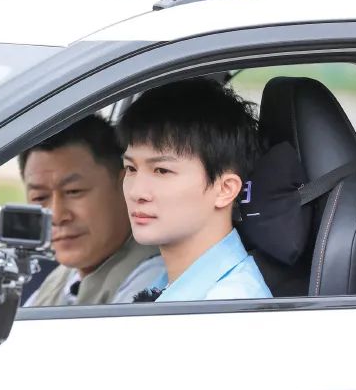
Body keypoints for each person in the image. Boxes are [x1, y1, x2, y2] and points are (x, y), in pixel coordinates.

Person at [116, 78, 273, 301]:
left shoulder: (227, 303)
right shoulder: (166, 284)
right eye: (131, 168)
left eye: (162, 171)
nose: (136, 192)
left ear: (225, 189)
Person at [20, 115, 163, 306]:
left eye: (74, 191)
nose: (57, 215)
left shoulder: (152, 281)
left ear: (126, 186)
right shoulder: (61, 279)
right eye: (39, 197)